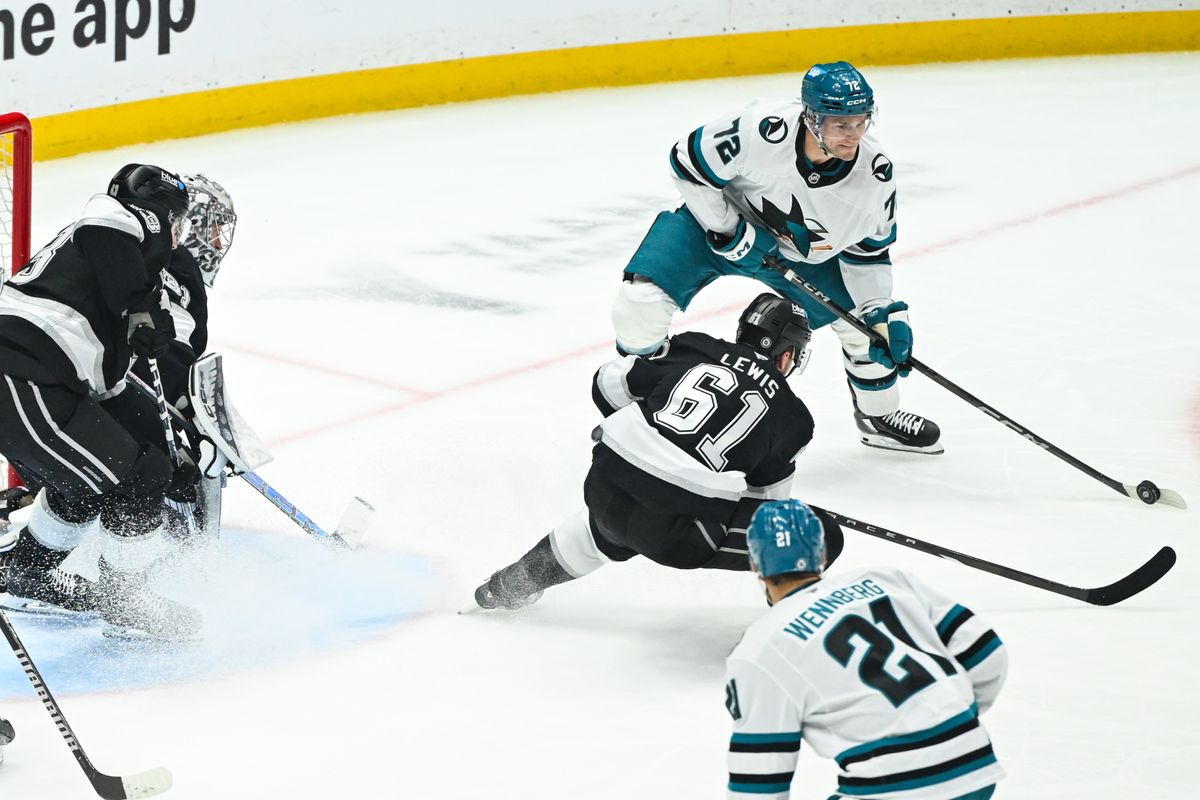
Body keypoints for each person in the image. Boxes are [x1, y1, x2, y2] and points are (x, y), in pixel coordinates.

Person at [611, 61, 942, 454]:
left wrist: (879, 312)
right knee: (639, 301)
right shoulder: (760, 130)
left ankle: (878, 415)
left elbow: (868, 257)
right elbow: (686, 163)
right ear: (811, 117)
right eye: (841, 125)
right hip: (712, 226)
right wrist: (726, 229)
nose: (853, 136)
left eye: (860, 122)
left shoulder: (874, 179)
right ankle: (637, 404)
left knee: (860, 326)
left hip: (795, 255)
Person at [473, 293, 844, 610]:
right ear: (786, 355)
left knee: (611, 522)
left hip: (604, 483)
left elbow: (606, 384)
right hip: (674, 532)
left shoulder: (697, 346)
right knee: (819, 533)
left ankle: (509, 585)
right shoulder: (794, 419)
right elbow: (769, 512)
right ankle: (790, 620)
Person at [0, 163, 206, 640]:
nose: (175, 234)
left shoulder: (115, 270)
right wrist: (137, 301)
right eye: (175, 220)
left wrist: (165, 437)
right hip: (20, 372)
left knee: (99, 476)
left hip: (39, 378)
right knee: (136, 479)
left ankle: (27, 569)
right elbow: (101, 219)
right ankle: (125, 598)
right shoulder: (121, 221)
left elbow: (109, 385)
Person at [725, 499, 1006, 800]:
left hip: (893, 787)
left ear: (754, 565)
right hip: (975, 767)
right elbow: (988, 652)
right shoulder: (885, 580)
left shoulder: (761, 648)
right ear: (822, 553)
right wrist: (951, 722)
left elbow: (759, 781)